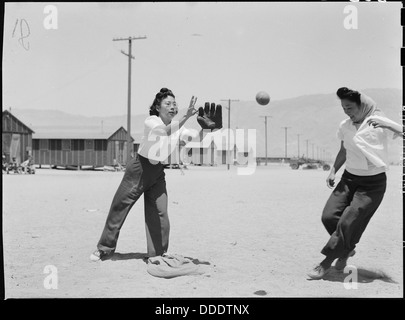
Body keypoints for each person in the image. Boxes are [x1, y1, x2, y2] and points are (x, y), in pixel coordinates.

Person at [90, 88, 222, 261]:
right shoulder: (151, 121)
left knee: (160, 213)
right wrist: (186, 116)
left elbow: (196, 140)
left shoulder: (179, 129)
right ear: (158, 107)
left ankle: (158, 253)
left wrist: (208, 129)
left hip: (158, 172)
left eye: (175, 104)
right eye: (168, 103)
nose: (173, 107)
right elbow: (164, 131)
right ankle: (104, 249)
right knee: (119, 207)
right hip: (139, 170)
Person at [307, 87, 402, 280]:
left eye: (350, 107)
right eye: (343, 107)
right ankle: (346, 251)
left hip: (372, 184)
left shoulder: (378, 121)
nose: (346, 111)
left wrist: (390, 126)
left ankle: (325, 263)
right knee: (329, 217)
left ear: (362, 105)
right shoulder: (345, 126)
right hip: (349, 179)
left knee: (347, 221)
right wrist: (334, 170)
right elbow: (344, 150)